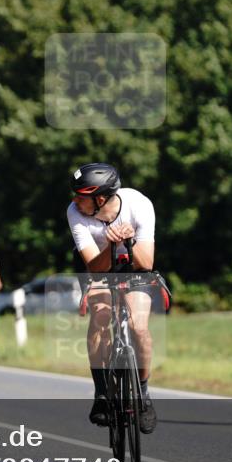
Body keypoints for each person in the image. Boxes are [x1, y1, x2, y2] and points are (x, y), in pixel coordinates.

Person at [68, 162, 158, 434]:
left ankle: (142, 394)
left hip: (135, 272)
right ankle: (102, 394)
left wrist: (127, 242)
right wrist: (111, 244)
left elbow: (146, 263)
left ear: (100, 198)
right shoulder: (75, 213)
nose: (74, 201)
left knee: (138, 327)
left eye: (80, 196)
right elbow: (94, 268)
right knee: (100, 316)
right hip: (100, 271)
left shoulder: (139, 204)